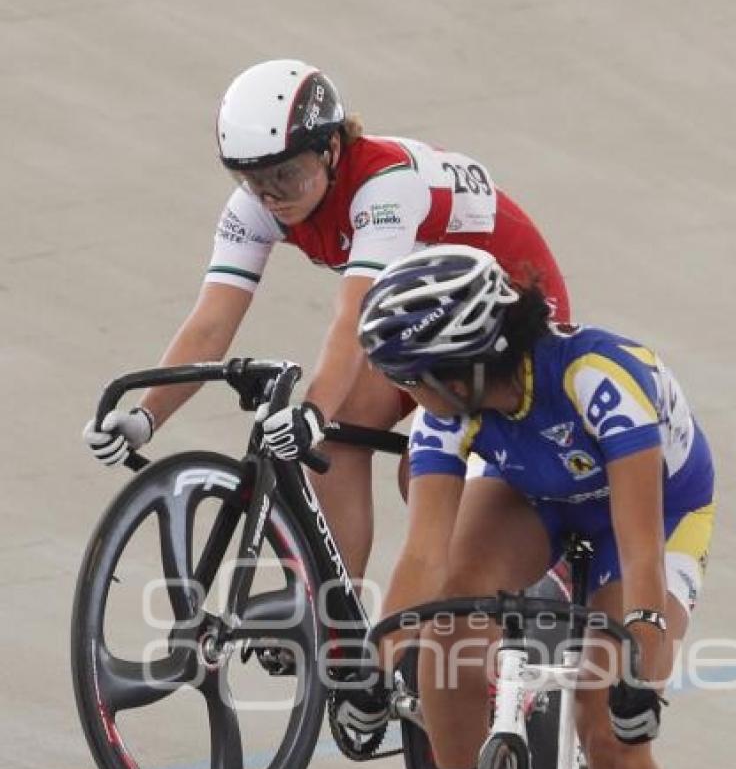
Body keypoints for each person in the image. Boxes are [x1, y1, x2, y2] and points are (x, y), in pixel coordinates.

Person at [351, 244, 715, 769]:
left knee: (608, 725)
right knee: (445, 628)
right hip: (537, 498)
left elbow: (639, 548)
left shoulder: (598, 381)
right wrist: (382, 653)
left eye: (414, 378)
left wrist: (639, 658)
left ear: (464, 365)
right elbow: (424, 562)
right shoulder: (451, 408)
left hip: (652, 515)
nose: (407, 397)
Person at [83, 58, 570, 586]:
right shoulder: (256, 206)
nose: (270, 194)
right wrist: (145, 418)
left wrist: (312, 408)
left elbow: (354, 315)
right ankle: (337, 626)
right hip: (428, 318)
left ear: (332, 147)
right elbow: (211, 322)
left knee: (427, 474)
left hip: (506, 315)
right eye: (251, 178)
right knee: (335, 441)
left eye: (285, 173)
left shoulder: (386, 185)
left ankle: (497, 597)